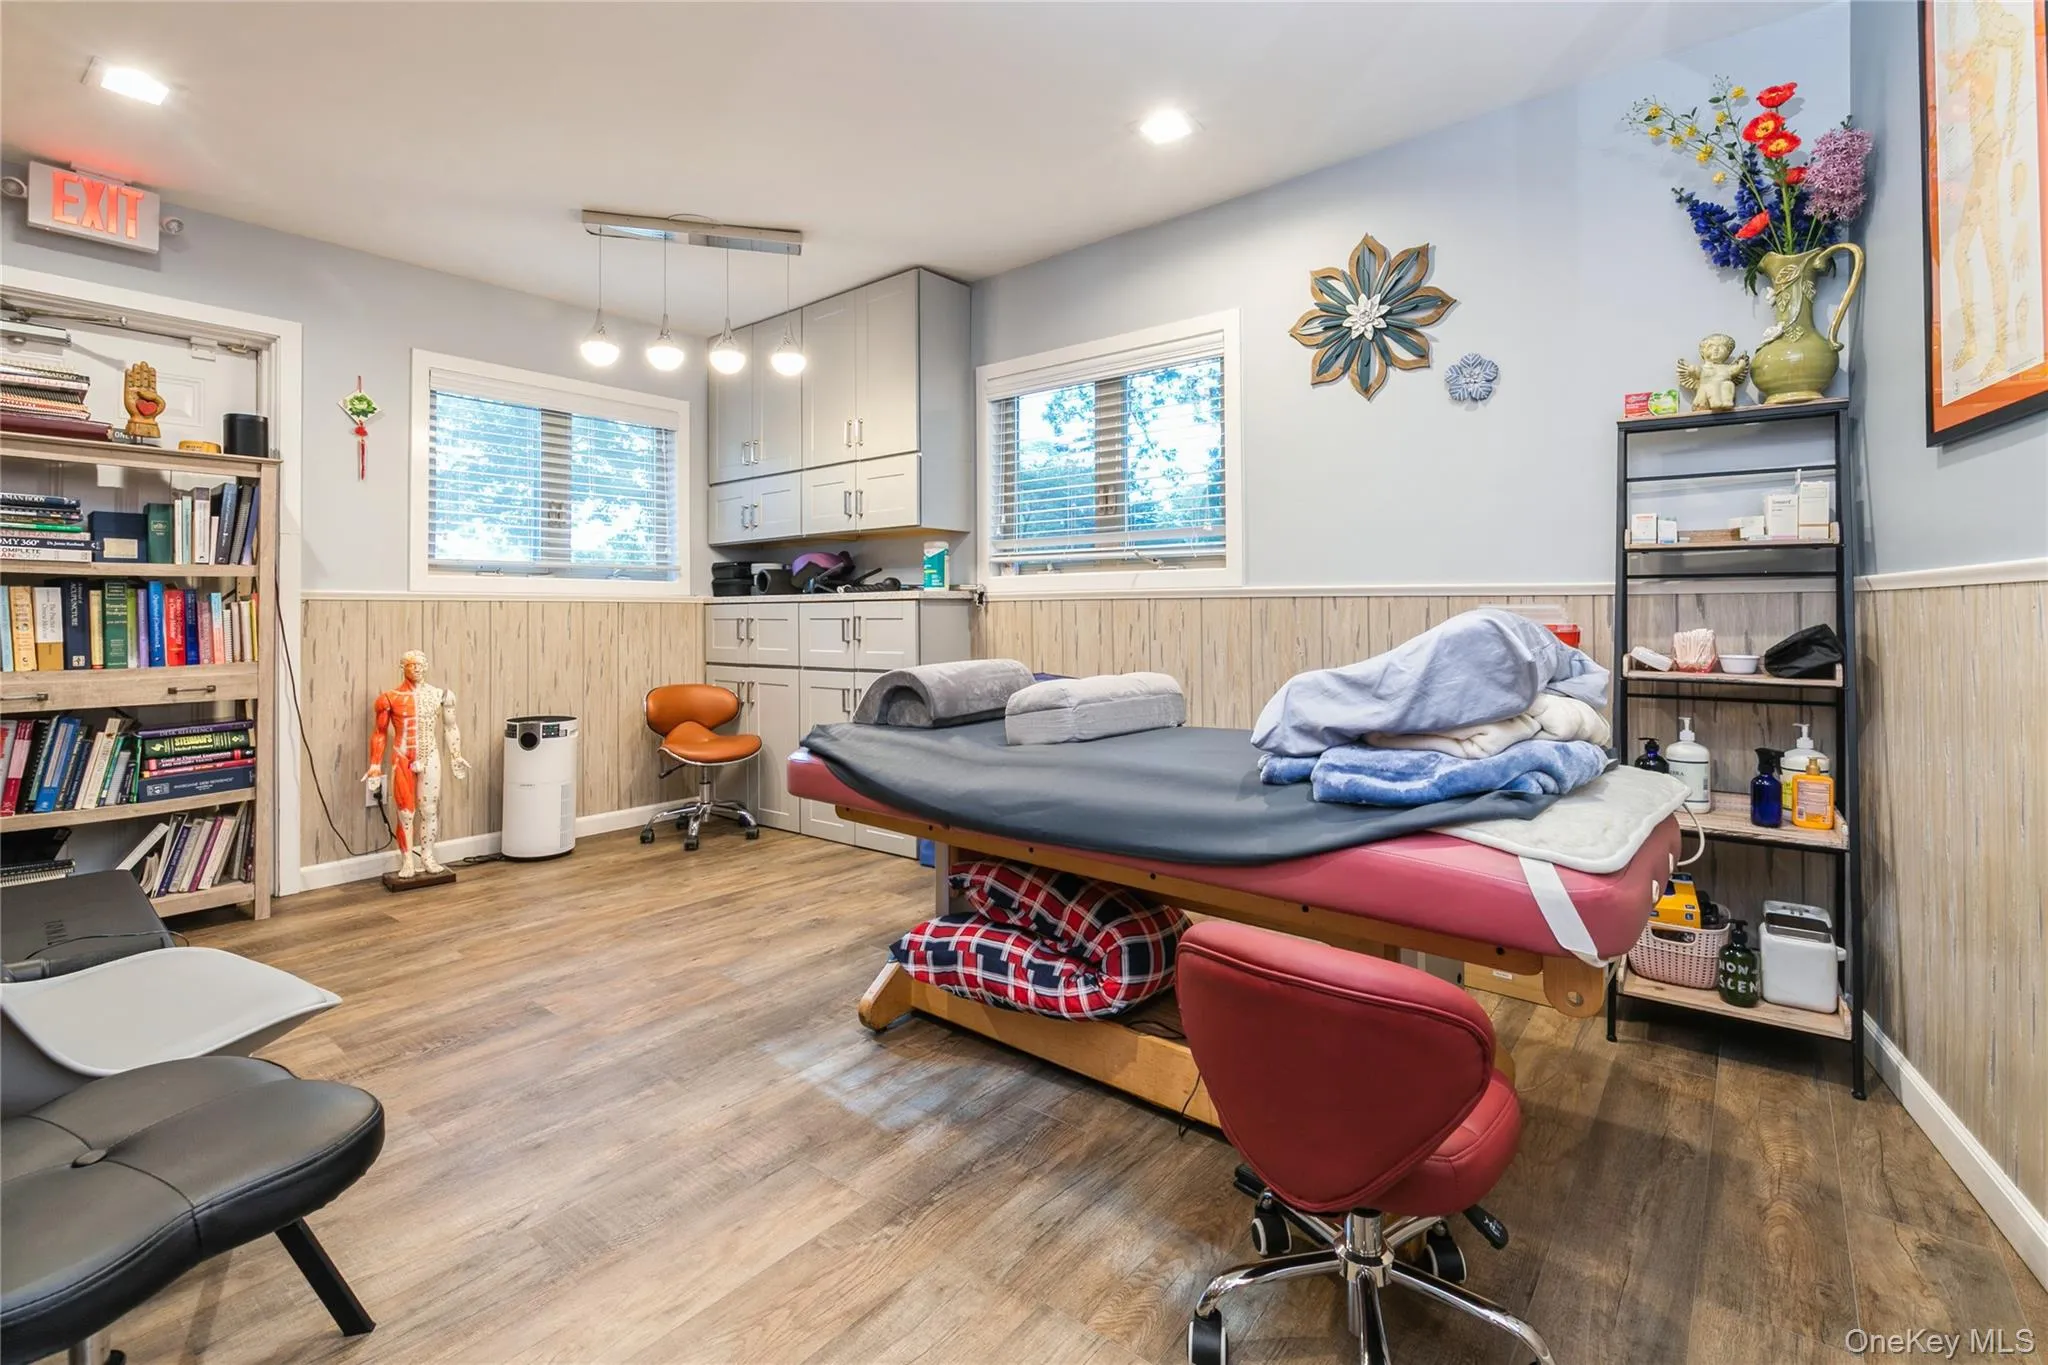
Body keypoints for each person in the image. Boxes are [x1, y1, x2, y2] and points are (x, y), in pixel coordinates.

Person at [363, 649, 469, 878]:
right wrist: (375, 765)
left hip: (429, 754)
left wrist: (456, 755)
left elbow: (451, 726)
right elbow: (379, 733)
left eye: (421, 664)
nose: (417, 668)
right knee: (405, 813)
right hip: (402, 756)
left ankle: (427, 856)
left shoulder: (441, 695)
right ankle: (408, 860)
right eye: (412, 665)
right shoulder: (389, 698)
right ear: (403, 668)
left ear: (427, 666)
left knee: (429, 810)